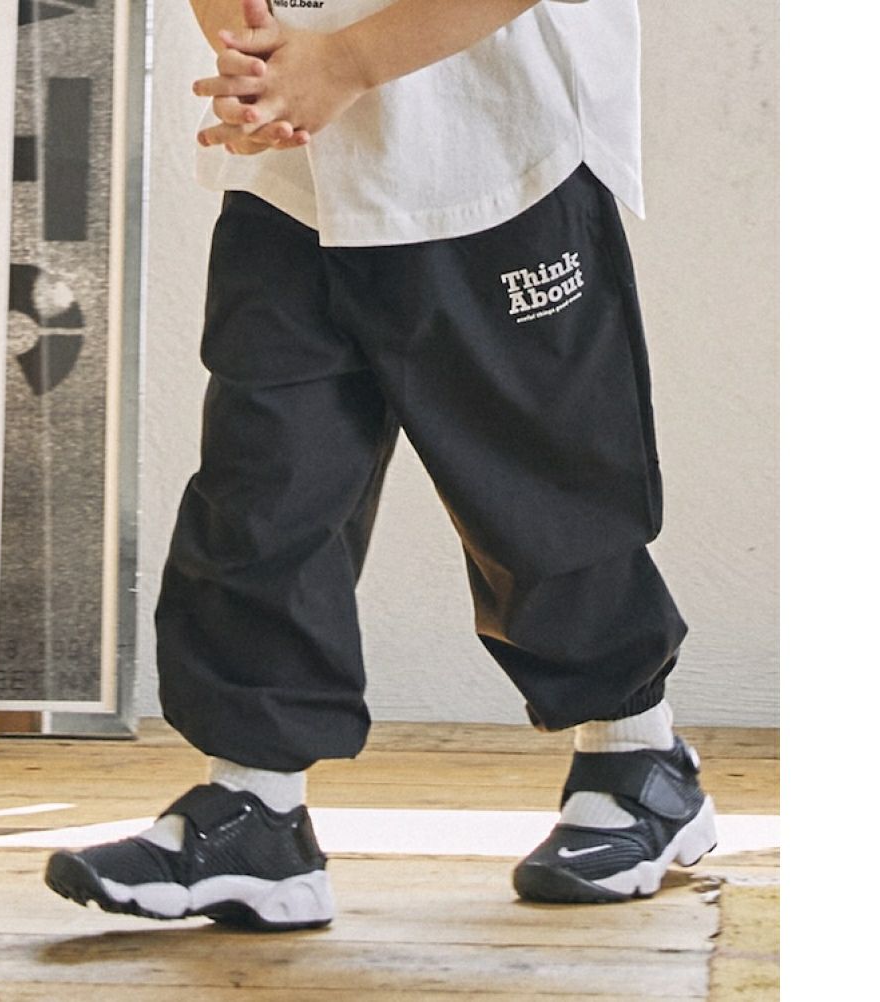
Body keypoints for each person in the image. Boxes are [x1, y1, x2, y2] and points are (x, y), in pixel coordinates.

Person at [44, 0, 717, 929]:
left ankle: (637, 762)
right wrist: (254, 63)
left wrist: (349, 62)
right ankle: (254, 810)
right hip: (294, 176)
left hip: (493, 158)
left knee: (538, 486)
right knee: (263, 484)